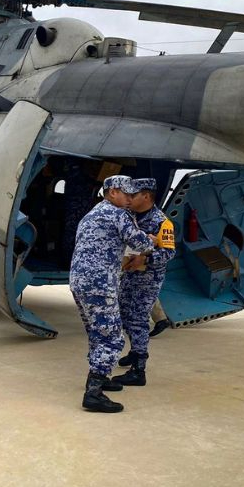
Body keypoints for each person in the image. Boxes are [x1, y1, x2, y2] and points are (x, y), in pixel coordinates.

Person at [69, 175, 155, 413]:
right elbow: (141, 244)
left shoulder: (93, 213)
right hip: (100, 282)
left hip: (79, 280)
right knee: (113, 337)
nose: (129, 200)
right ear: (112, 192)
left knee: (97, 331)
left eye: (131, 195)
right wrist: (150, 239)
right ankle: (94, 393)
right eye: (126, 194)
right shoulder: (118, 215)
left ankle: (100, 376)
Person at [113, 177, 177, 386]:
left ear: (147, 196)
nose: (129, 199)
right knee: (124, 314)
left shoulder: (162, 222)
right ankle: (135, 351)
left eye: (133, 195)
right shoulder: (129, 216)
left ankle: (139, 369)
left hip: (147, 279)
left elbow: (169, 253)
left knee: (138, 319)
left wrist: (146, 258)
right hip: (129, 276)